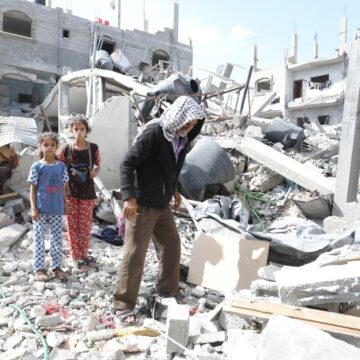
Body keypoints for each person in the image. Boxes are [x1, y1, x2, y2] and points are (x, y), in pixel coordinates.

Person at [112, 95, 206, 325]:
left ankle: (167, 290)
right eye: (188, 121)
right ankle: (123, 304)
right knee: (135, 253)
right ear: (178, 116)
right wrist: (129, 196)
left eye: (194, 124)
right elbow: (127, 163)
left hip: (162, 203)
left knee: (172, 244)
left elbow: (172, 169)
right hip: (142, 203)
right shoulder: (154, 134)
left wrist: (174, 190)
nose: (190, 126)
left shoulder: (181, 139)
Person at [59, 115, 100, 271]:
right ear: (71, 130)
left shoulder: (93, 148)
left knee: (85, 225)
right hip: (70, 193)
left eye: (82, 129)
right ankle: (76, 257)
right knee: (72, 225)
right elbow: (60, 169)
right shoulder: (67, 149)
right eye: (76, 129)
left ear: (86, 130)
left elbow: (97, 164)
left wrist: (95, 170)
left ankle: (84, 254)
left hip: (87, 192)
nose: (79, 132)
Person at [27, 132, 69, 281]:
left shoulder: (61, 166)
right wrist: (33, 208)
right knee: (39, 239)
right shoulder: (36, 166)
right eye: (46, 145)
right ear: (40, 147)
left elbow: (64, 187)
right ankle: (39, 268)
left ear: (56, 147)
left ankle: (56, 266)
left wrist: (65, 203)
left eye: (52, 145)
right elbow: (32, 188)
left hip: (56, 209)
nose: (49, 148)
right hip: (40, 209)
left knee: (57, 238)